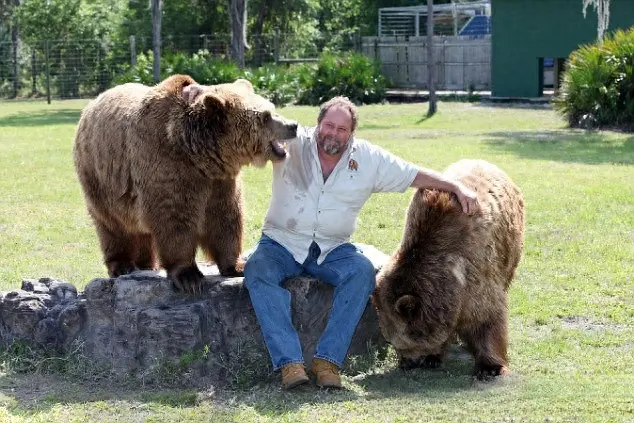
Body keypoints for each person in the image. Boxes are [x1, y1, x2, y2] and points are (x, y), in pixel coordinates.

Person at [244, 96, 479, 390]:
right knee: (257, 270)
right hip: (281, 242)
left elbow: (412, 174)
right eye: (328, 125)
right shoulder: (293, 142)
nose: (333, 133)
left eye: (342, 129)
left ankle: (327, 361)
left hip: (331, 249)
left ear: (351, 133)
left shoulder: (367, 159)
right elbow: (249, 121)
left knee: (361, 272)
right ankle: (289, 364)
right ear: (317, 124)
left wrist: (455, 185)